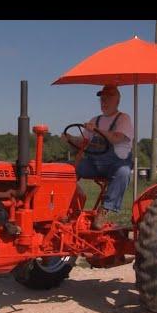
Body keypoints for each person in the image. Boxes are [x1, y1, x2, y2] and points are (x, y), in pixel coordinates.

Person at [63, 84, 133, 229]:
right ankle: (64, 205)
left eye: (107, 99)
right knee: (67, 169)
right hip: (94, 163)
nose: (104, 102)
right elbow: (84, 141)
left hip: (116, 164)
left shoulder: (123, 119)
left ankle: (104, 210)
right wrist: (69, 138)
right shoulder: (96, 119)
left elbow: (116, 138)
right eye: (102, 99)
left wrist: (96, 130)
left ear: (117, 101)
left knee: (124, 172)